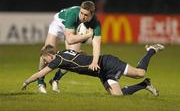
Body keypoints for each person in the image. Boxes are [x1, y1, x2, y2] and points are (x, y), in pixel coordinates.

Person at [22, 43, 165, 96]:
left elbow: (40, 73)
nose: (45, 62)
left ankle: (151, 50)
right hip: (101, 72)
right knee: (117, 96)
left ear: (49, 55)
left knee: (139, 73)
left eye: (44, 59)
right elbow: (80, 55)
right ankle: (145, 84)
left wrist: (26, 82)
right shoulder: (63, 53)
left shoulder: (57, 59)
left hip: (108, 63)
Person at [37, 1, 101, 93]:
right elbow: (70, 39)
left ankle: (55, 79)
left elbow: (97, 44)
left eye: (86, 15)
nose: (82, 16)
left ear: (92, 14)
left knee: (73, 58)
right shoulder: (73, 14)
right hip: (59, 24)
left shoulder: (95, 23)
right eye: (81, 13)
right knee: (46, 52)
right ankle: (40, 82)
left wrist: (95, 62)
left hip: (73, 29)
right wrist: (87, 35)